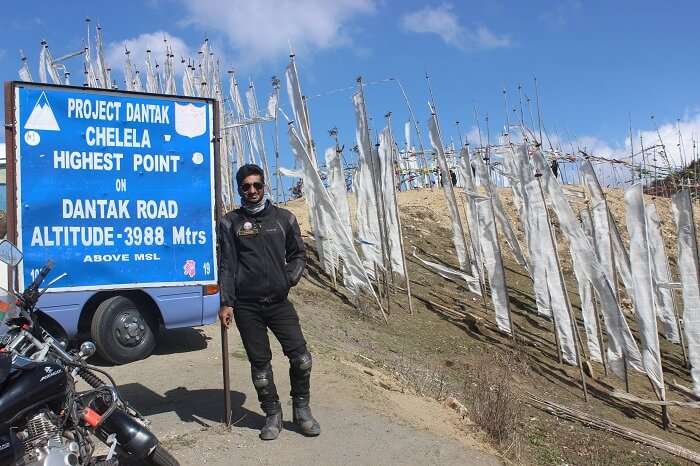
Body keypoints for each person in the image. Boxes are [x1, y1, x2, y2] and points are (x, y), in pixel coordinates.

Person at [218, 164, 320, 441]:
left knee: (302, 359)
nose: (252, 190)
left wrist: (287, 279)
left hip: (279, 303)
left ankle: (301, 409)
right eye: (246, 186)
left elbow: (298, 255)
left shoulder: (284, 219)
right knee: (261, 367)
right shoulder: (230, 223)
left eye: (257, 185)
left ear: (265, 186)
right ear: (239, 188)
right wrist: (226, 302)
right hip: (247, 307)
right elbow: (226, 265)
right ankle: (272, 415)